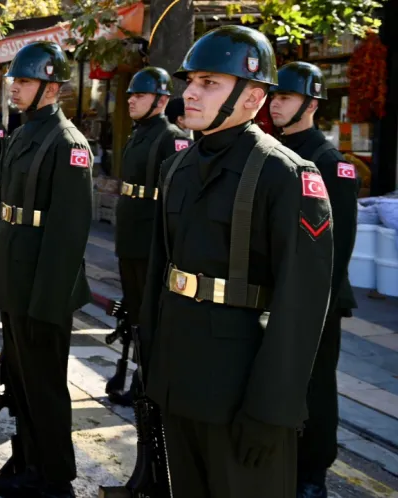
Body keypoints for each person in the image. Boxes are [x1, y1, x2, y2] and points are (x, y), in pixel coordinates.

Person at [139, 25, 334, 498]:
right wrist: (153, 375)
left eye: (211, 83)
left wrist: (272, 411)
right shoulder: (178, 168)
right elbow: (158, 276)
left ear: (253, 98)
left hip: (241, 389)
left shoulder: (286, 175)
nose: (192, 93)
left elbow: (301, 307)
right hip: (179, 381)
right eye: (192, 81)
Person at [0, 41, 92, 498]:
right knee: (22, 384)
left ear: (51, 88)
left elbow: (68, 233)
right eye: (15, 82)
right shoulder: (24, 132)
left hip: (43, 290)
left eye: (24, 82)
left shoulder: (67, 144)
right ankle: (29, 460)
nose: (15, 89)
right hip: (16, 279)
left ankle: (55, 478)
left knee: (45, 388)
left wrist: (45, 303)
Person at [269, 61, 359, 498]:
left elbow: (336, 251)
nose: (275, 104)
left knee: (316, 387)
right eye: (274, 96)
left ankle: (313, 473)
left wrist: (311, 303)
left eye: (284, 97)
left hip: (319, 299)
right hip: (280, 293)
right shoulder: (273, 154)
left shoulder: (330, 163)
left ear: (311, 103)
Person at [107, 67, 191, 407]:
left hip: (151, 245)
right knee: (137, 315)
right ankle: (141, 379)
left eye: (139, 95)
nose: (131, 100)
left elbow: (174, 201)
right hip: (131, 240)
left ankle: (149, 383)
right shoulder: (138, 133)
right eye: (130, 94)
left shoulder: (171, 137)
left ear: (160, 100)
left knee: (151, 319)